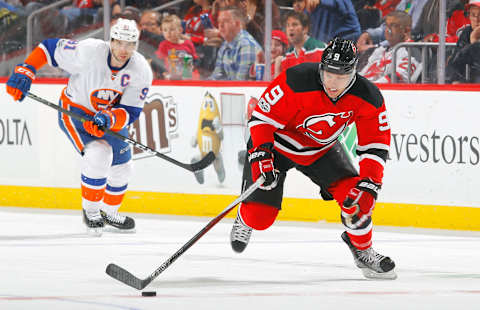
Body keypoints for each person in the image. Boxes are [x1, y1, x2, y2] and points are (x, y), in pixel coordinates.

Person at [229, 37, 396, 280]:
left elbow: (376, 146)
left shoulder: (368, 96)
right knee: (260, 219)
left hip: (321, 149)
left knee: (357, 199)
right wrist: (262, 156)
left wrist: (371, 183)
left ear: (353, 74)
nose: (332, 83)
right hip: (275, 146)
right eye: (328, 74)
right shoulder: (297, 79)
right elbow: (262, 119)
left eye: (340, 77)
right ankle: (245, 216)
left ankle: (363, 250)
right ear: (321, 67)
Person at [5, 18, 153, 236]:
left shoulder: (141, 70)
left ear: (136, 45)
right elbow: (49, 48)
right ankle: (91, 212)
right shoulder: (89, 51)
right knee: (99, 154)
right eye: (119, 42)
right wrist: (27, 69)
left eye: (130, 44)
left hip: (108, 118)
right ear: (110, 40)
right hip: (76, 113)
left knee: (123, 168)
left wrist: (109, 119)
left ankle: (108, 212)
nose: (124, 49)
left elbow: (130, 111)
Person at [358, 10, 422, 83]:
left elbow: (398, 77)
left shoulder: (412, 52)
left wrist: (368, 88)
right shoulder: (380, 50)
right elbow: (363, 72)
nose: (387, 30)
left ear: (406, 31)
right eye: (386, 25)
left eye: (393, 26)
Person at [209, 6, 261, 80]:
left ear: (237, 24)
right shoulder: (225, 44)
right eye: (219, 22)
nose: (221, 25)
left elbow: (241, 83)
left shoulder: (247, 46)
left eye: (225, 21)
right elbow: (217, 75)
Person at [276, 11, 326, 78]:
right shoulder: (288, 54)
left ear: (305, 29)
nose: (290, 28)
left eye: (295, 25)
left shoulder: (317, 49)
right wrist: (277, 68)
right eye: (288, 25)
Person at [155, 14, 198, 80]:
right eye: (165, 30)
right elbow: (158, 61)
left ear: (180, 30)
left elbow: (194, 59)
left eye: (172, 29)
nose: (168, 33)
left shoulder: (188, 43)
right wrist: (163, 72)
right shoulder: (163, 45)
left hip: (187, 75)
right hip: (171, 76)